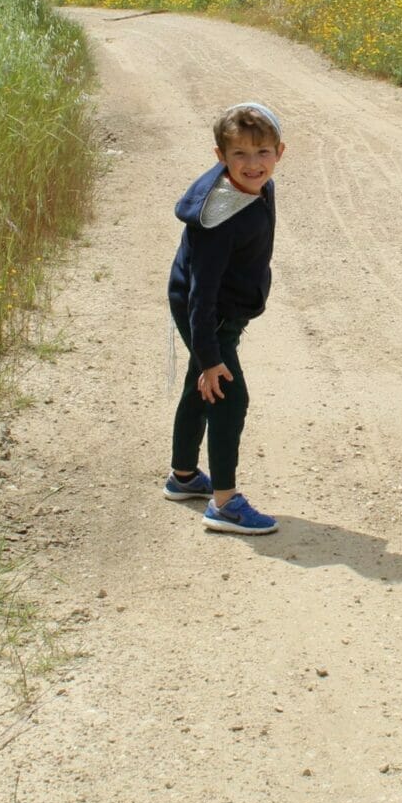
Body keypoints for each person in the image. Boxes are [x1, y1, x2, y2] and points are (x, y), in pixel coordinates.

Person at [162, 101, 286, 536]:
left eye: (262, 153)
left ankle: (183, 478)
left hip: (216, 309)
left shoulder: (255, 188)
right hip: (209, 313)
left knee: (200, 389)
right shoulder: (220, 220)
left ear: (279, 152)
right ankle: (225, 503)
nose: (253, 165)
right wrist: (211, 356)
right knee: (227, 395)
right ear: (221, 157)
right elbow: (202, 295)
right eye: (239, 155)